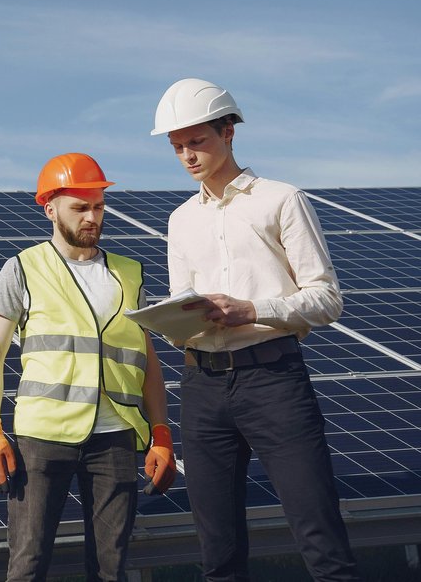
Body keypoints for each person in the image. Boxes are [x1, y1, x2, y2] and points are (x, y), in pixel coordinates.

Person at [152, 78, 359, 582]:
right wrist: (176, 325)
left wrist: (252, 310)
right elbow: (184, 307)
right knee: (218, 550)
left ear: (229, 133)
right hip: (201, 388)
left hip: (274, 381)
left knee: (319, 536)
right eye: (178, 147)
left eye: (197, 142)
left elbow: (327, 298)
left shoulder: (281, 200)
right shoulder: (180, 221)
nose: (187, 156)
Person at [0, 152, 177, 582]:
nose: (92, 217)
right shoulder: (23, 269)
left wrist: (161, 432)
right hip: (42, 437)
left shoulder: (129, 274)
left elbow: (147, 360)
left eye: (99, 207)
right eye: (80, 207)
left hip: (116, 438)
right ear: (49, 208)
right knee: (28, 564)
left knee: (110, 569)